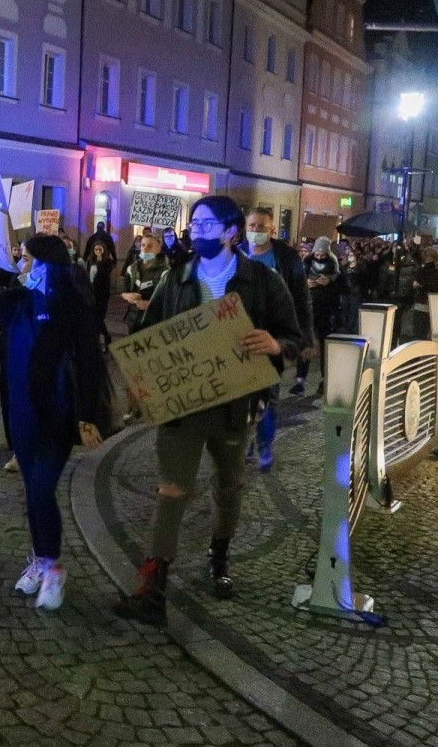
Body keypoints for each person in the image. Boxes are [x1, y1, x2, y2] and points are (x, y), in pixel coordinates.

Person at [113, 196, 302, 625]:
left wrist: (275, 345)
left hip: (235, 406)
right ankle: (152, 587)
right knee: (172, 490)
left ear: (232, 232)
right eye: (194, 223)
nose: (196, 230)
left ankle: (219, 556)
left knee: (229, 485)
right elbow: (149, 339)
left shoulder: (262, 281)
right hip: (182, 410)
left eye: (206, 224)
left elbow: (294, 336)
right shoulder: (175, 278)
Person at [0, 236, 103, 611]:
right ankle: (41, 560)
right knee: (32, 491)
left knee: (42, 490)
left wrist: (87, 415)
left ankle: (54, 567)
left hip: (56, 413)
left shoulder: (72, 302)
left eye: (27, 258)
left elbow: (90, 359)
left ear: (46, 263)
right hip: (22, 413)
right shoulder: (19, 295)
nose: (21, 264)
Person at [238, 208, 314, 471]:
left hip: (274, 337)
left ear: (271, 230)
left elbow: (301, 301)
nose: (256, 231)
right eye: (252, 225)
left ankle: (264, 445)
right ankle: (242, 445)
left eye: (262, 227)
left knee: (268, 395)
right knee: (238, 395)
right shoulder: (235, 254)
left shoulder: (286, 258)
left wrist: (305, 339)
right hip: (238, 337)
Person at [293, 236, 341, 396]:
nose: (319, 257)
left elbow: (344, 288)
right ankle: (300, 381)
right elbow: (295, 282)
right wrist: (305, 283)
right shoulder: (306, 263)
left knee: (324, 345)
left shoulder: (334, 267)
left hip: (325, 312)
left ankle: (325, 380)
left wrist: (330, 282)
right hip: (307, 309)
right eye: (317, 254)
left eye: (322, 255)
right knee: (305, 343)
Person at [121, 234, 169, 334]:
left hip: (154, 321)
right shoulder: (132, 268)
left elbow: (169, 298)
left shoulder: (166, 271)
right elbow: (124, 291)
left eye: (150, 246)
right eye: (143, 245)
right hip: (133, 319)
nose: (145, 249)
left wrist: (149, 304)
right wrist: (128, 296)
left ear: (158, 249)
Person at [85, 242, 115, 343]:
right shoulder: (90, 261)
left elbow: (103, 275)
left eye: (100, 250)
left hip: (103, 293)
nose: (98, 252)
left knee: (99, 318)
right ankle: (99, 341)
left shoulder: (107, 261)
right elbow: (88, 274)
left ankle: (106, 336)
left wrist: (99, 262)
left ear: (103, 250)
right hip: (92, 292)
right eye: (96, 250)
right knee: (94, 318)